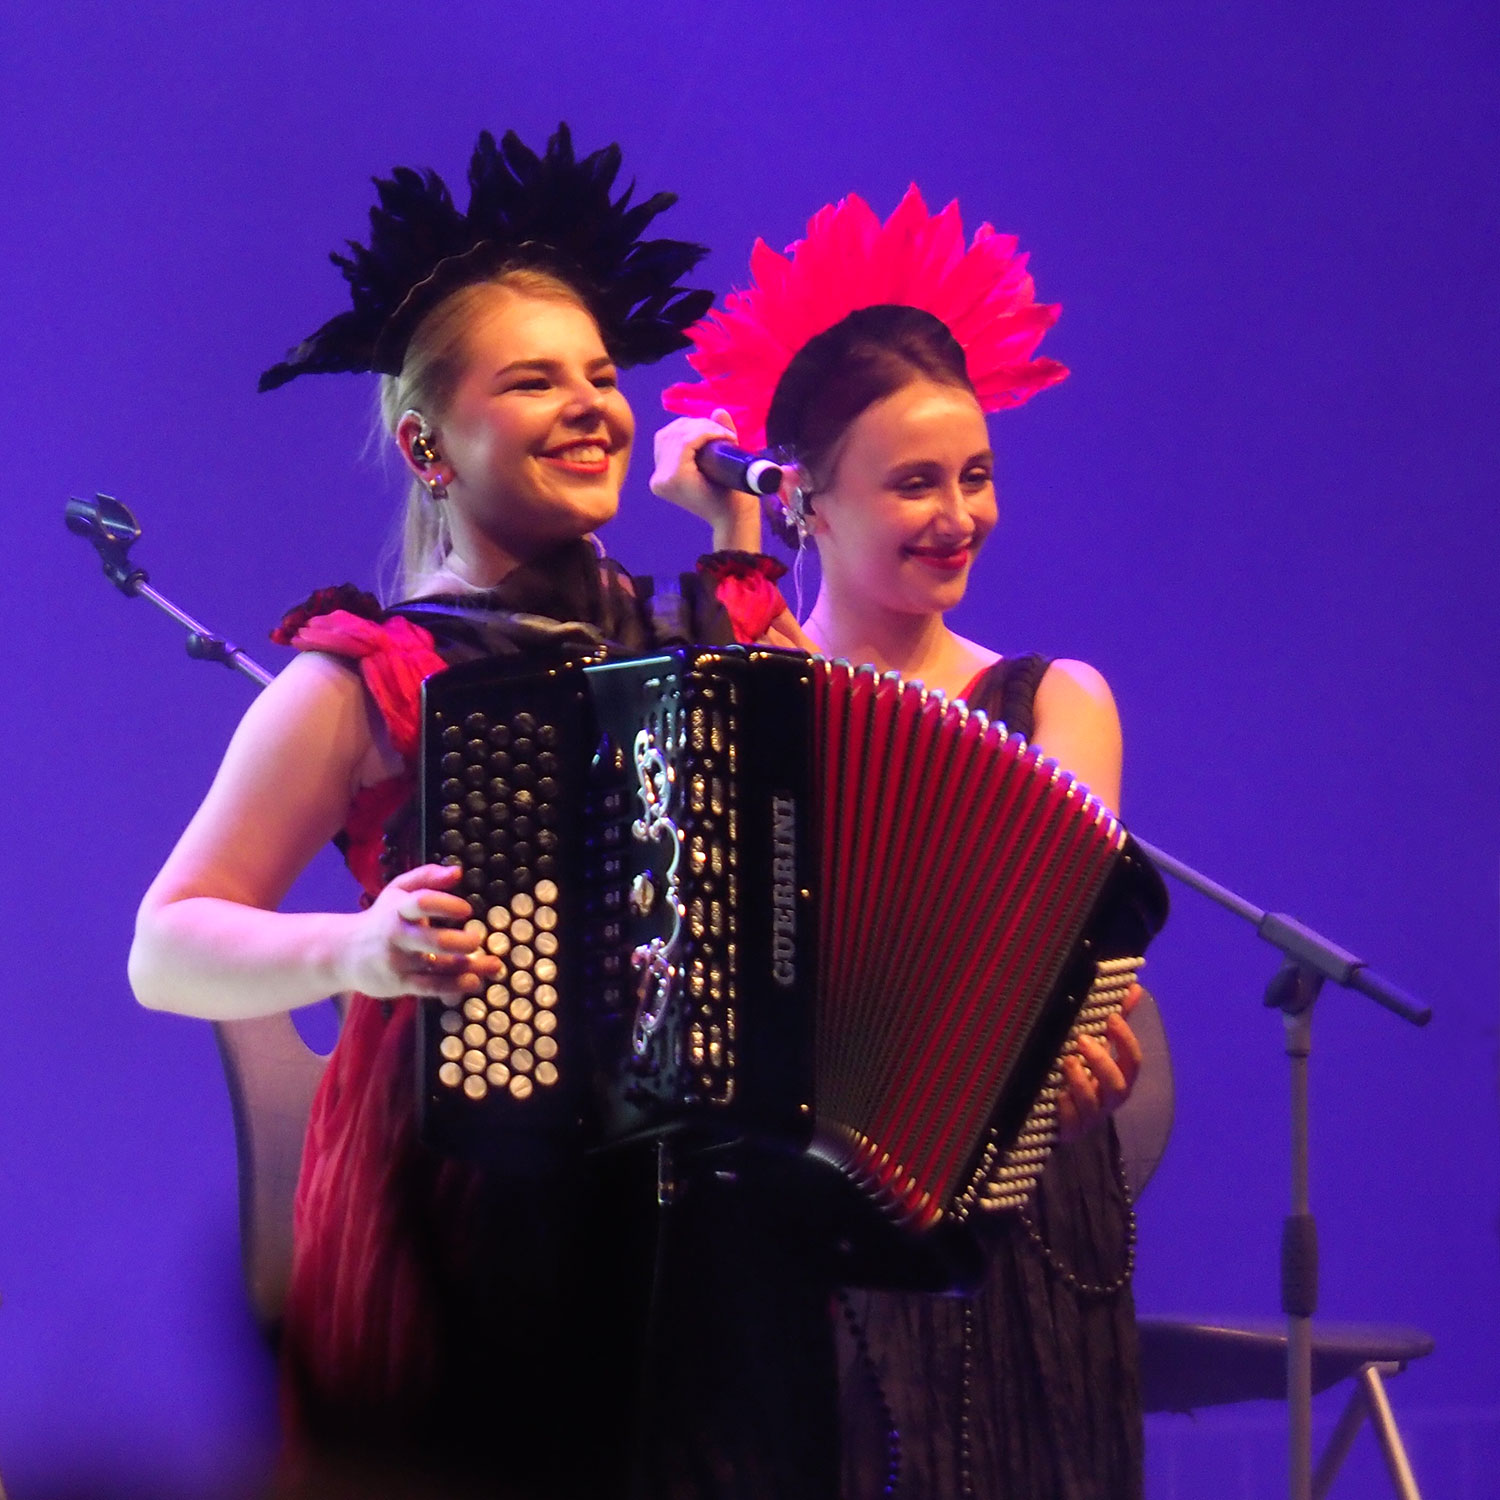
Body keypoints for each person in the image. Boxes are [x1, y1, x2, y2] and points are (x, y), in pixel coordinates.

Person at [127, 125, 827, 1500]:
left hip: (697, 1224)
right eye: (532, 380)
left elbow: (812, 827)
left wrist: (735, 542)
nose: (591, 405)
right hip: (458, 1218)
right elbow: (167, 946)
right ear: (425, 445)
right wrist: (355, 950)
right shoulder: (372, 673)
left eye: (602, 377)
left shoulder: (692, 633)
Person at [655, 187, 1151, 1499]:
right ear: (809, 504)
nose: (960, 514)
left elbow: (1061, 948)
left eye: (975, 475)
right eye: (915, 482)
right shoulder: (744, 677)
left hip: (1005, 1215)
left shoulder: (1057, 700)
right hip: (782, 1212)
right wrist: (728, 539)